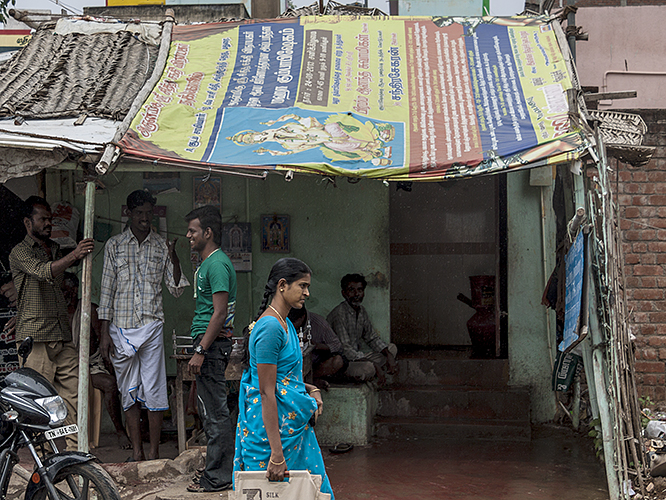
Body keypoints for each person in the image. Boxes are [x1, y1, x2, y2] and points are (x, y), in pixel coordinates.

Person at [99, 190, 188, 461]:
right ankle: (137, 453)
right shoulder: (114, 245)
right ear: (129, 213)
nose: (145, 218)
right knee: (128, 391)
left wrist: (174, 257)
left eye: (149, 213)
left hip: (151, 326)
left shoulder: (161, 245)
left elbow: (176, 289)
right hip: (121, 327)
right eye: (139, 213)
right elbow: (106, 292)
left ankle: (154, 453)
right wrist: (104, 333)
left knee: (155, 390)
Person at [234, 258, 334, 499]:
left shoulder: (285, 323)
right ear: (282, 285)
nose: (307, 293)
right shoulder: (271, 328)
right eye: (302, 286)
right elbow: (266, 391)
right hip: (272, 435)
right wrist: (277, 455)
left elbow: (283, 379)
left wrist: (311, 389)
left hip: (289, 429)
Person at [9, 196, 95, 451]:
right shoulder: (20, 252)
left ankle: (74, 450)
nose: (48, 223)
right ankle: (43, 456)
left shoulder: (55, 248)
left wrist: (77, 254)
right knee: (39, 402)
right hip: (36, 337)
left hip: (60, 334)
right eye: (42, 219)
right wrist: (75, 255)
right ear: (28, 222)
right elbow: (44, 271)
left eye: (50, 219)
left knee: (75, 394)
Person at [185, 205, 236, 493]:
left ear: (208, 232)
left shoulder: (216, 264)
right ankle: (216, 472)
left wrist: (201, 349)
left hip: (212, 346)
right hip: (210, 344)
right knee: (210, 411)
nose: (188, 235)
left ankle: (218, 477)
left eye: (193, 230)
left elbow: (219, 314)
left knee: (215, 413)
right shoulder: (207, 263)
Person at [62, 273, 130, 450]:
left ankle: (120, 431)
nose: (65, 295)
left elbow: (102, 342)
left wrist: (111, 367)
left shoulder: (89, 310)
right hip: (66, 366)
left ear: (76, 290)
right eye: (61, 291)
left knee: (110, 384)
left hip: (91, 363)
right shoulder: (56, 311)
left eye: (68, 290)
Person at [327, 274, 398, 384]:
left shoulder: (361, 311)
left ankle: (369, 372)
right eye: (351, 290)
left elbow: (371, 337)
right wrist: (373, 364)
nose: (356, 294)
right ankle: (367, 372)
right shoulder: (339, 314)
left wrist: (388, 355)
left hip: (358, 358)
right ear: (344, 293)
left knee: (391, 349)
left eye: (360, 290)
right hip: (344, 362)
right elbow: (345, 349)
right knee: (368, 368)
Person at [287, 305, 346, 389]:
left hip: (315, 365)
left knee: (338, 361)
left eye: (294, 322)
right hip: (291, 365)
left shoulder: (318, 323)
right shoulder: (280, 323)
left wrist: (315, 345)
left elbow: (337, 345)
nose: (292, 325)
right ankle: (310, 382)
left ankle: (311, 379)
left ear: (302, 317)